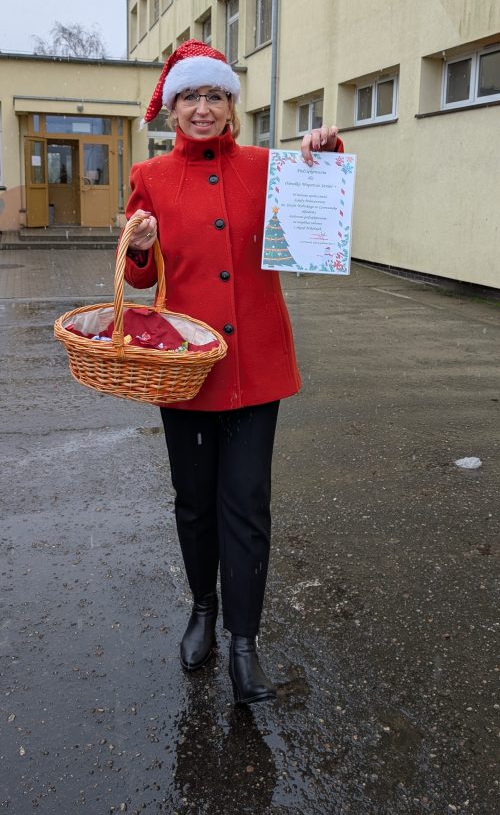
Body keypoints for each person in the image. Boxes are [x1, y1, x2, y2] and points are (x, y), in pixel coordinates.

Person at [123, 40, 341, 704]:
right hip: (186, 370)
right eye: (190, 96)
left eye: (214, 96)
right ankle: (202, 611)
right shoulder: (150, 176)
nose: (202, 108)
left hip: (255, 366)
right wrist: (139, 251)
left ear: (230, 106)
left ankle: (244, 642)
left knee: (245, 504)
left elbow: (317, 204)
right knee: (194, 502)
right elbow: (140, 277)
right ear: (172, 109)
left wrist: (325, 153)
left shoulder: (269, 167)